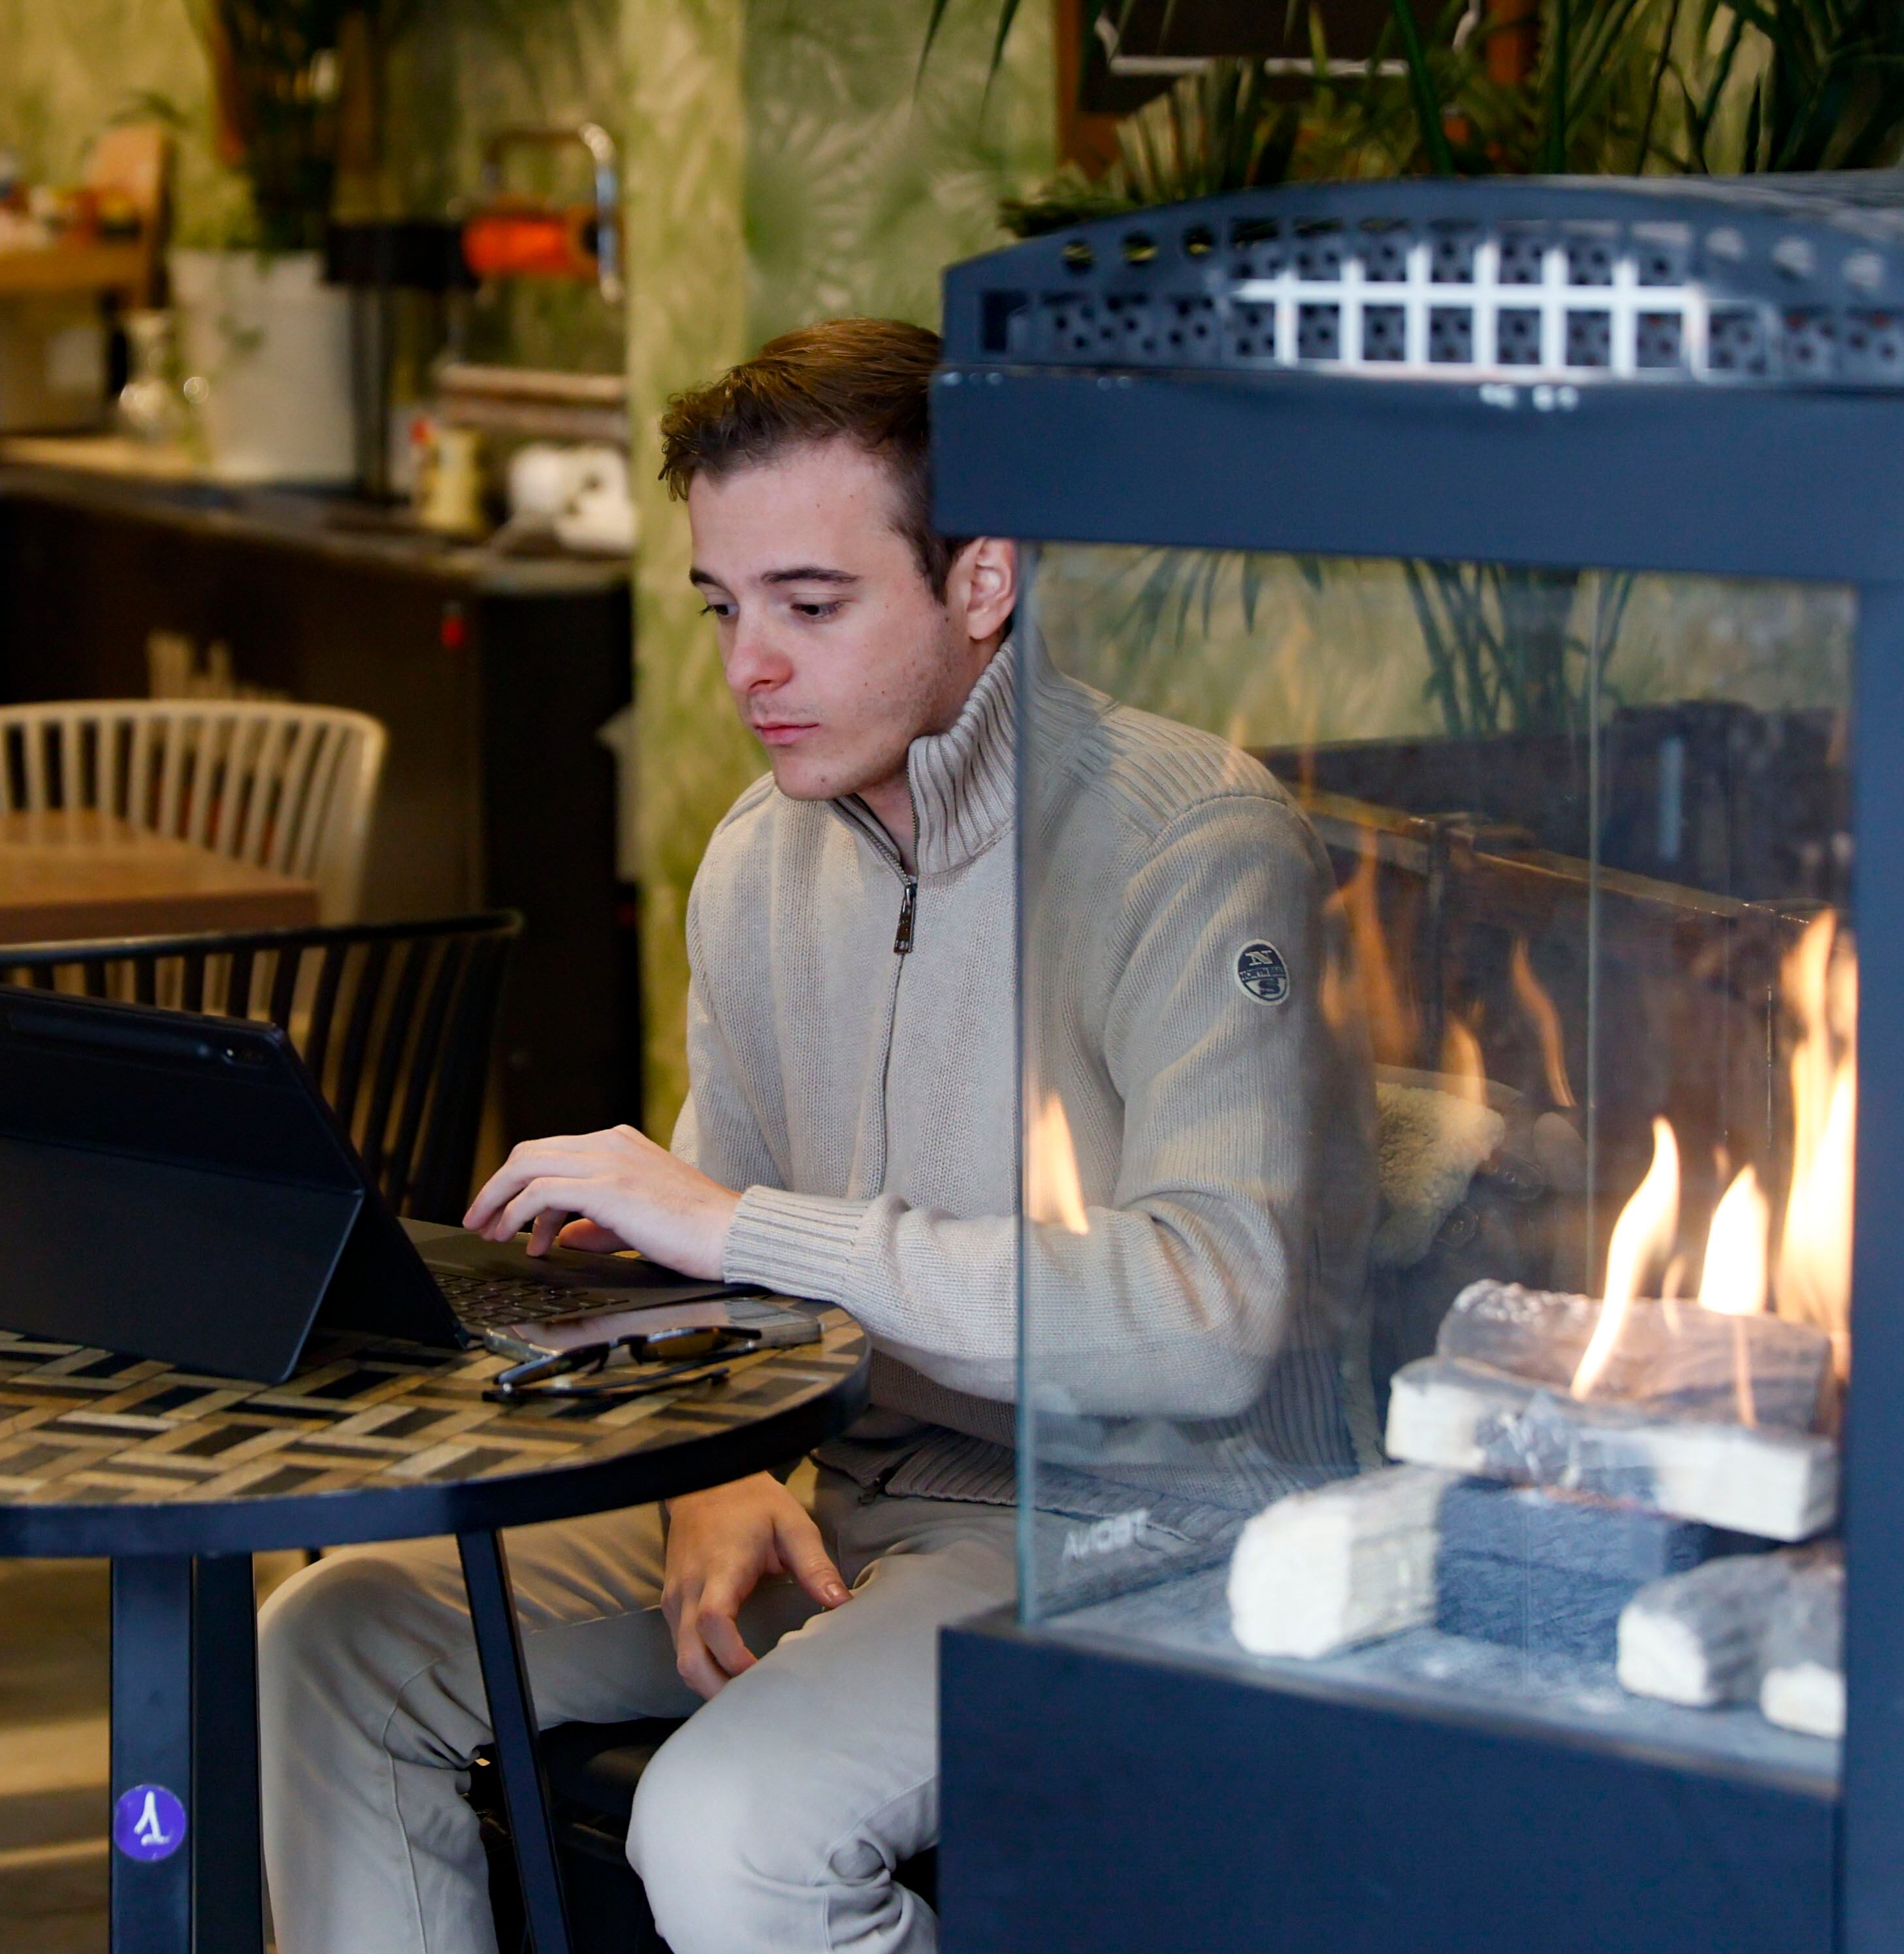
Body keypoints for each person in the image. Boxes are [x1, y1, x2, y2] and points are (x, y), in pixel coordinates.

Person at [258, 317, 1372, 1954]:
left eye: (811, 603)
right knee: (332, 1636)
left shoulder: (1191, 843)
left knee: (724, 1826)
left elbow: (1211, 1315)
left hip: (1131, 1537)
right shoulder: (756, 863)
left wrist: (735, 1229)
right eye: (723, 606)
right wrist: (719, 1471)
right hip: (845, 1500)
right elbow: (718, 1301)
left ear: (981, 578)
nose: (746, 667)